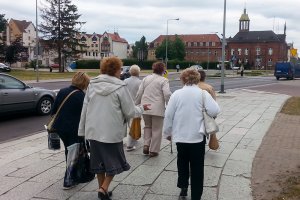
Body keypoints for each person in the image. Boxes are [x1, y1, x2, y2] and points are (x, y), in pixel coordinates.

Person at [78, 57, 150, 200]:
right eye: (120, 69)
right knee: (115, 162)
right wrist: (142, 108)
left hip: (93, 131)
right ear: (116, 70)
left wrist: (81, 131)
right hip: (111, 132)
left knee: (98, 163)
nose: (121, 72)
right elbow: (129, 111)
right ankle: (104, 188)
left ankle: (102, 189)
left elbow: (84, 109)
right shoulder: (120, 87)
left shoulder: (92, 84)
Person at [163, 68, 220, 200]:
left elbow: (168, 115)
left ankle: (183, 188)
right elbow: (215, 110)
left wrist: (167, 132)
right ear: (197, 79)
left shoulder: (176, 94)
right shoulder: (203, 94)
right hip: (197, 137)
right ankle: (196, 195)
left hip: (180, 137)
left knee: (182, 162)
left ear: (182, 79)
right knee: (197, 167)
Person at [51, 72, 90, 188]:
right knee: (73, 152)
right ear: (84, 83)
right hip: (74, 129)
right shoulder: (81, 96)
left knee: (70, 150)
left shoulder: (62, 91)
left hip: (60, 128)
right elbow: (86, 115)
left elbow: (53, 111)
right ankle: (69, 180)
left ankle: (74, 174)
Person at [136, 61, 172, 157]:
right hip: (158, 108)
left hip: (145, 107)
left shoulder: (146, 78)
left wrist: (136, 104)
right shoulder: (164, 80)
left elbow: (139, 93)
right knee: (157, 129)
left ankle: (146, 144)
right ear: (163, 70)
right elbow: (167, 94)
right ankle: (153, 150)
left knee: (147, 126)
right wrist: (169, 105)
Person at [124, 64, 142, 151]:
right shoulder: (140, 82)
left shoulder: (125, 81)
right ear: (138, 72)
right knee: (133, 125)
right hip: (136, 105)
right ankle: (130, 144)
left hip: (125, 104)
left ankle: (128, 140)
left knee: (127, 124)